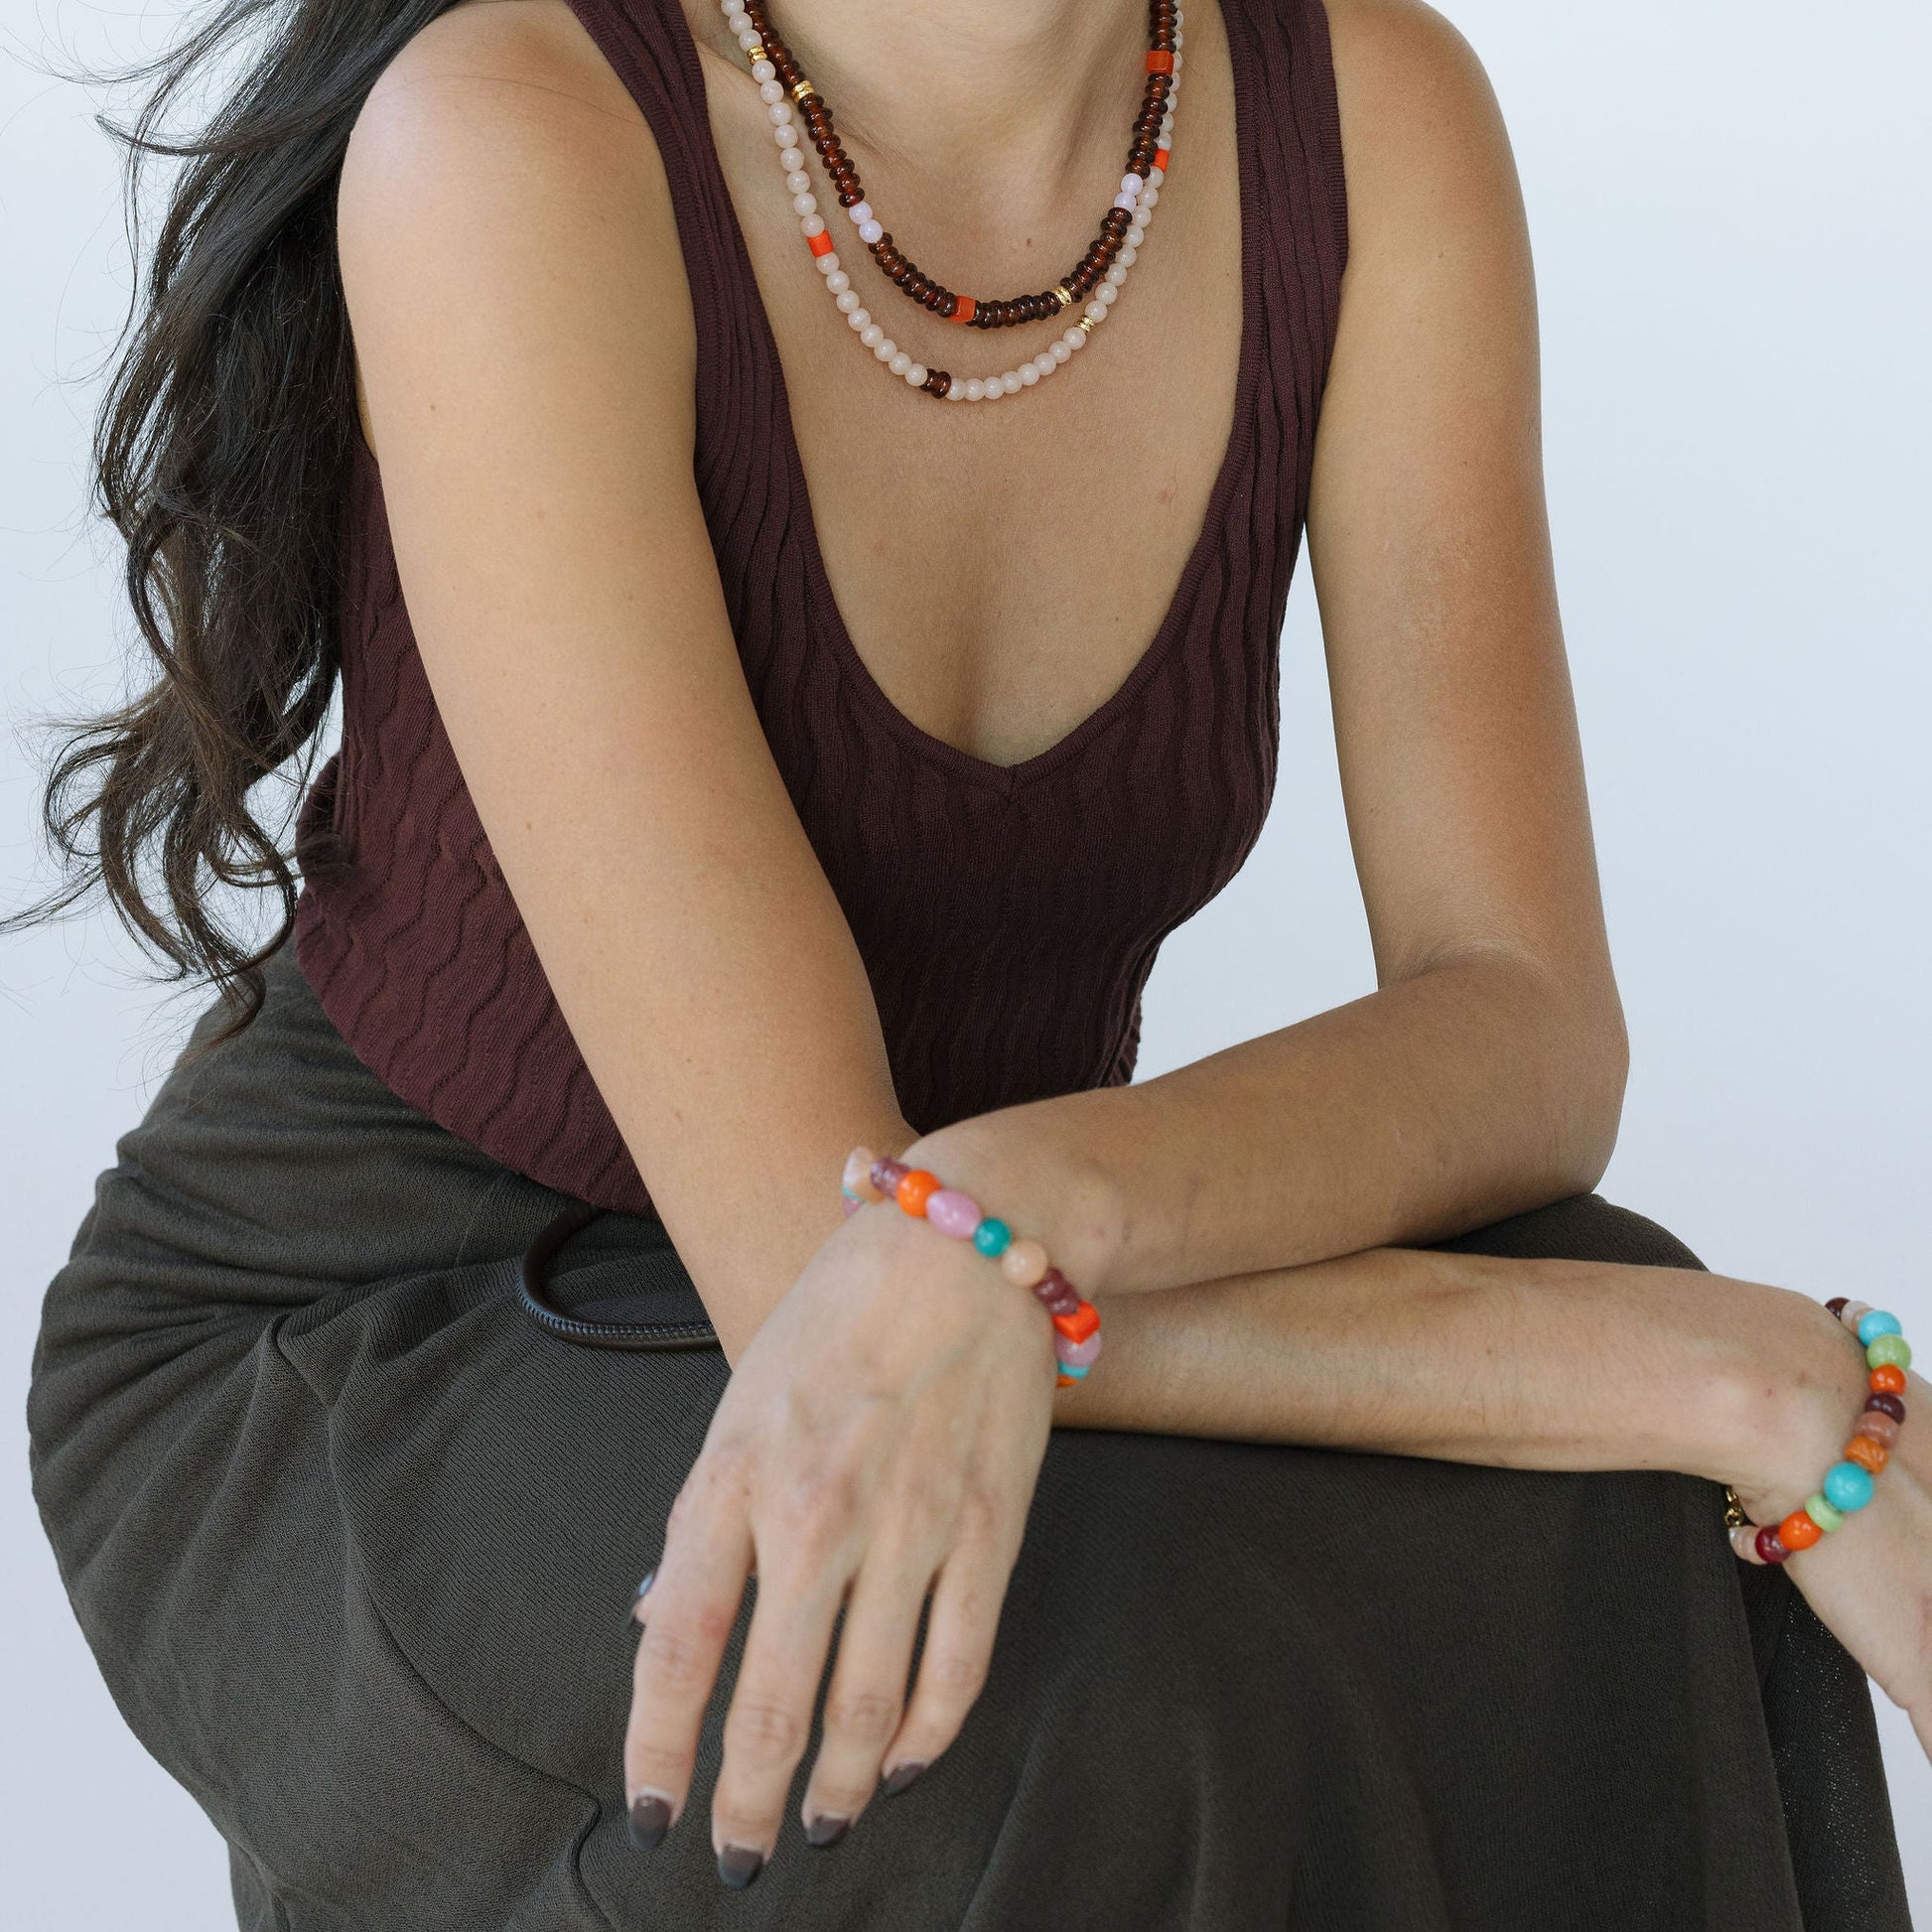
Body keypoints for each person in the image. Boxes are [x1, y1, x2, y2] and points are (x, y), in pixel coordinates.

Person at [17, 0, 1925, 1924]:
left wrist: (1024, 1193)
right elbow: (813, 1269)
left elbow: (1522, 1015)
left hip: (969, 1245)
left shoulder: (1371, 117)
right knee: (1105, 1687)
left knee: (1623, 1482)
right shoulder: (515, 140)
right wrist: (1703, 1381)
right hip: (387, 1319)